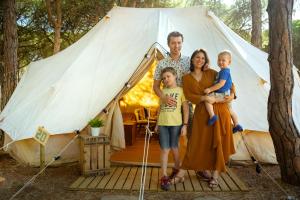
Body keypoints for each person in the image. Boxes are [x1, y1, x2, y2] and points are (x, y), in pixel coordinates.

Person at [171, 49, 236, 188]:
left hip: (220, 111)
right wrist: (203, 98)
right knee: (196, 143)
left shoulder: (212, 73)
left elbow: (229, 83)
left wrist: (232, 95)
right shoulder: (186, 78)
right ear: (192, 60)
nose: (200, 60)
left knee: (218, 142)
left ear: (205, 60)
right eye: (197, 57)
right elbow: (188, 95)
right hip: (201, 113)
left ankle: (215, 176)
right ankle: (181, 174)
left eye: (202, 58)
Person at [154, 67, 189, 191]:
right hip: (163, 123)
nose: (165, 79)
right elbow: (160, 108)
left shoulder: (181, 90)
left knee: (175, 147)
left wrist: (185, 124)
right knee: (164, 149)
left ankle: (177, 169)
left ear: (175, 76)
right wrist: (157, 123)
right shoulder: (162, 92)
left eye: (168, 76)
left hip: (176, 124)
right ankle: (163, 175)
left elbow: (185, 108)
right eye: (163, 78)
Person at [203, 50, 243, 133]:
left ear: (229, 62)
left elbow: (221, 84)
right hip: (226, 93)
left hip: (222, 93)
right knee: (230, 110)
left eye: (223, 60)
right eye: (219, 60)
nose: (220, 62)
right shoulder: (222, 71)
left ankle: (212, 116)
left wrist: (210, 89)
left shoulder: (224, 71)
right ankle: (236, 124)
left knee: (207, 100)